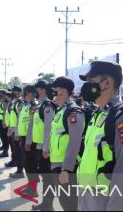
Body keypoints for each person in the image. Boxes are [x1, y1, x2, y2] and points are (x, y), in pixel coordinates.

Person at [77, 61, 123, 211]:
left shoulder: (119, 117)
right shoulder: (100, 113)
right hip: (87, 192)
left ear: (107, 82)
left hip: (104, 200)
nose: (86, 86)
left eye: (90, 81)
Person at [50, 76, 85, 211]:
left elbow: (74, 142)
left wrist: (66, 169)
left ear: (63, 91)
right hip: (57, 162)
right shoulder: (61, 110)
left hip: (67, 166)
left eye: (55, 90)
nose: (53, 93)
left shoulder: (73, 112)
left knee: (70, 204)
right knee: (65, 202)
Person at [28, 80, 56, 211]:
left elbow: (48, 128)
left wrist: (46, 147)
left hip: (45, 148)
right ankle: (46, 203)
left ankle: (48, 204)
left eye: (37, 89)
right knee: (45, 176)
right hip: (39, 146)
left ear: (42, 90)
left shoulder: (48, 105)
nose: (35, 91)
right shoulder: (40, 105)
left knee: (48, 177)